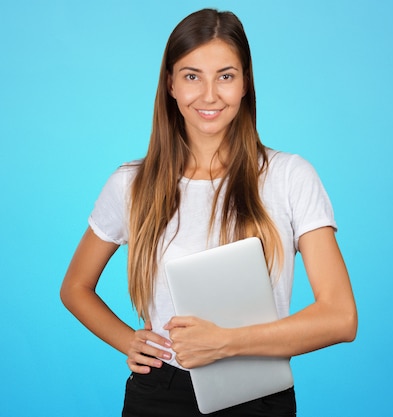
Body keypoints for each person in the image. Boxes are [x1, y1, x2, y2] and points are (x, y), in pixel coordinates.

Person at [60, 8, 357, 417]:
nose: (210, 95)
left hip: (259, 395)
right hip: (159, 393)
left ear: (245, 83)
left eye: (226, 76)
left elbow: (340, 317)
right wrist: (129, 341)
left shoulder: (290, 177)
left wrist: (227, 342)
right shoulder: (131, 184)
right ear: (170, 84)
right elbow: (75, 287)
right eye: (192, 76)